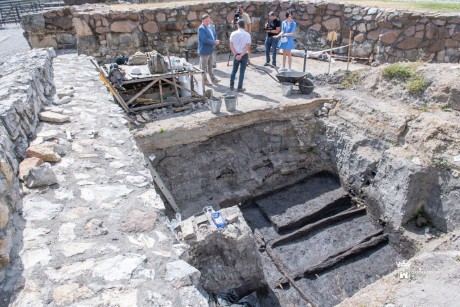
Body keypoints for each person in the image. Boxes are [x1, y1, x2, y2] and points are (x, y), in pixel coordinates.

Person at [198, 14, 220, 85]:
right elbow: (204, 39)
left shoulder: (210, 27)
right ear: (202, 21)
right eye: (206, 21)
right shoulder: (201, 28)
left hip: (211, 50)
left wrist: (216, 39)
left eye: (208, 21)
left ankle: (213, 79)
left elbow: (214, 34)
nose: (208, 22)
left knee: (210, 66)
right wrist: (214, 42)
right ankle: (205, 80)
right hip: (204, 51)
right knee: (204, 67)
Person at [229, 19, 251, 92]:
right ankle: (239, 87)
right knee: (242, 72)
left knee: (234, 70)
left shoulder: (233, 33)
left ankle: (231, 85)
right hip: (244, 55)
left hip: (236, 54)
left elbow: (231, 45)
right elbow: (247, 47)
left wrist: (236, 55)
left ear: (238, 25)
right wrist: (241, 55)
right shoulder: (247, 34)